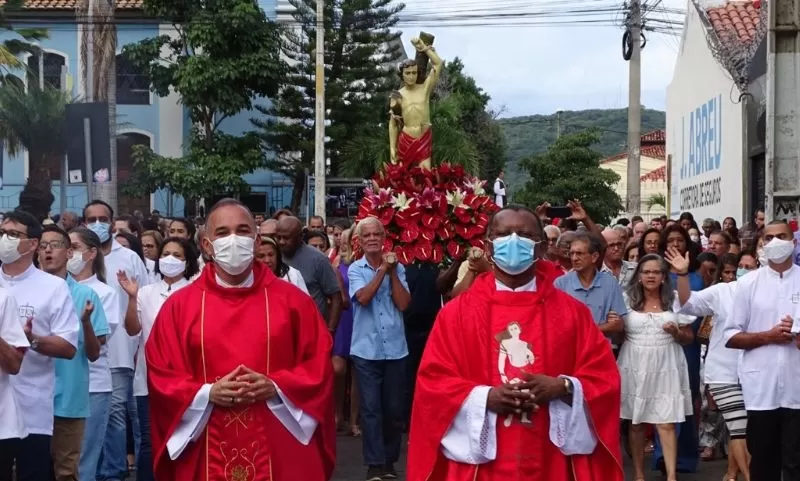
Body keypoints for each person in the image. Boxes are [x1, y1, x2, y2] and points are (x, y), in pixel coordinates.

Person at [407, 205, 623, 481]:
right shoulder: (457, 314)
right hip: (482, 465)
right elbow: (433, 384)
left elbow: (605, 379)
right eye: (503, 234)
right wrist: (485, 398)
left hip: (550, 458)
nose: (513, 241)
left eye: (524, 234)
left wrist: (564, 386)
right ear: (488, 245)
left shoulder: (573, 313)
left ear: (542, 246)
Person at [146, 198, 335, 481]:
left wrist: (276, 385)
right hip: (205, 438)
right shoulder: (179, 307)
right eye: (222, 233)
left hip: (278, 438)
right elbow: (161, 373)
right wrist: (208, 393)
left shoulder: (293, 302)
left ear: (257, 241)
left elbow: (318, 364)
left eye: (243, 231)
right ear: (207, 246)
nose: (233, 240)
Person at [725, 220, 800, 481]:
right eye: (769, 238)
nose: (776, 242)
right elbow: (731, 336)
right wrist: (767, 336)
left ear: (794, 241)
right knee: (764, 461)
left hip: (796, 387)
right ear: (762, 245)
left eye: (782, 236)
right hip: (762, 390)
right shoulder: (748, 284)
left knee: (795, 462)